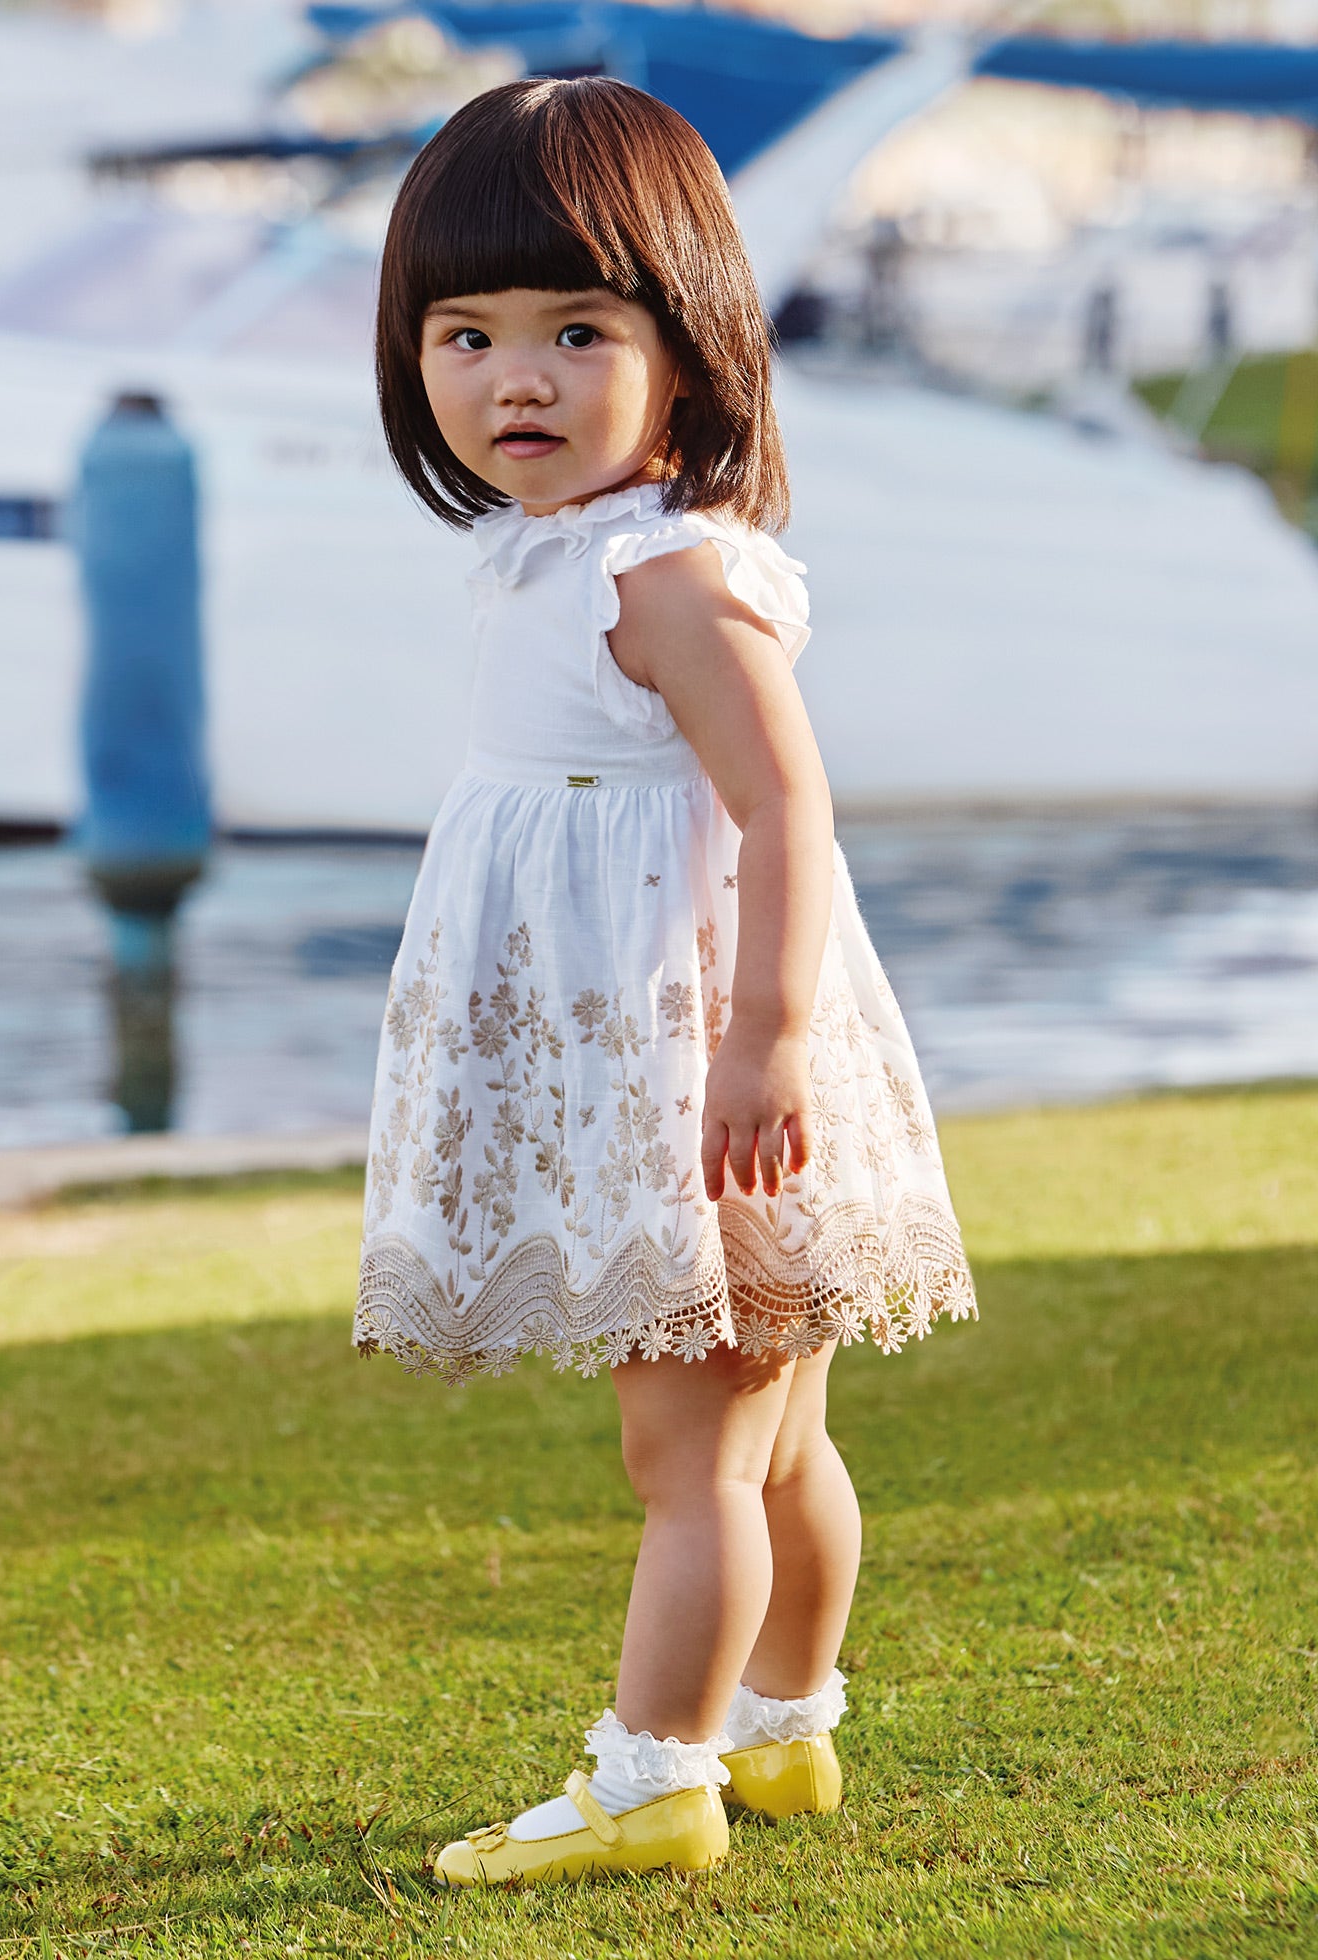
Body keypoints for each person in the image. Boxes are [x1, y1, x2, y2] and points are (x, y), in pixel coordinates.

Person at [356, 76, 977, 1887]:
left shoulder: (657, 573)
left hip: (693, 1059)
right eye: (467, 335)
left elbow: (788, 804)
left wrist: (763, 1039)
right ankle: (783, 1732)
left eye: (577, 332)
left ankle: (655, 1781)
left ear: (688, 357)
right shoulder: (547, 554)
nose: (516, 380)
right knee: (774, 1440)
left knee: (693, 1450)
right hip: (666, 1038)